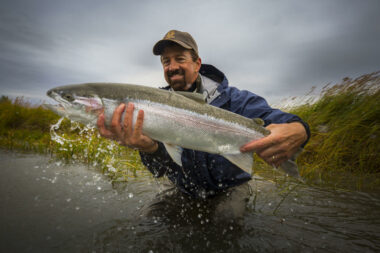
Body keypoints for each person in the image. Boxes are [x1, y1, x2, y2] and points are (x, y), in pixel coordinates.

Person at [97, 30, 310, 219]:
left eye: (179, 59)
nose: (172, 67)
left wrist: (299, 129)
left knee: (226, 223)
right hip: (183, 189)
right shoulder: (151, 107)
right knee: (148, 221)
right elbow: (159, 169)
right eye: (166, 61)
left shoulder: (233, 99)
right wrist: (149, 149)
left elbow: (278, 119)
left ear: (197, 63)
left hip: (230, 188)